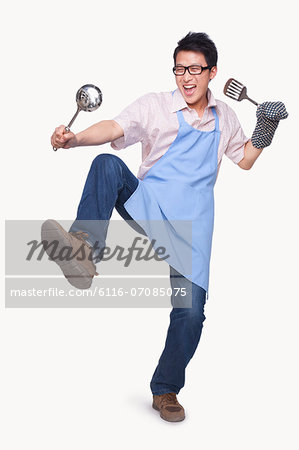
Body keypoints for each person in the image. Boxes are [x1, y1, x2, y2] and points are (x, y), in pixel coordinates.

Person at [43, 32, 288, 422]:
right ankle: (83, 249)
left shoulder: (225, 116)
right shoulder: (156, 105)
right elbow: (113, 127)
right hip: (150, 206)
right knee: (107, 166)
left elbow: (244, 159)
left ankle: (166, 389)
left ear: (212, 72)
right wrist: (75, 140)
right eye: (179, 69)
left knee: (191, 314)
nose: (186, 78)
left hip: (193, 225)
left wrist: (267, 126)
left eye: (194, 69)